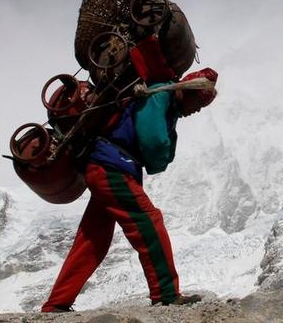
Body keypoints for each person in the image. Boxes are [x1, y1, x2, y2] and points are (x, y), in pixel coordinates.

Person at [41, 68, 219, 313]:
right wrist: (161, 158)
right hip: (113, 167)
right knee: (148, 222)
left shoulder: (163, 100)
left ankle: (57, 304)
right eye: (199, 102)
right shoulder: (160, 96)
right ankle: (166, 294)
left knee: (93, 239)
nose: (197, 109)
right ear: (188, 92)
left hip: (104, 165)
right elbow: (153, 141)